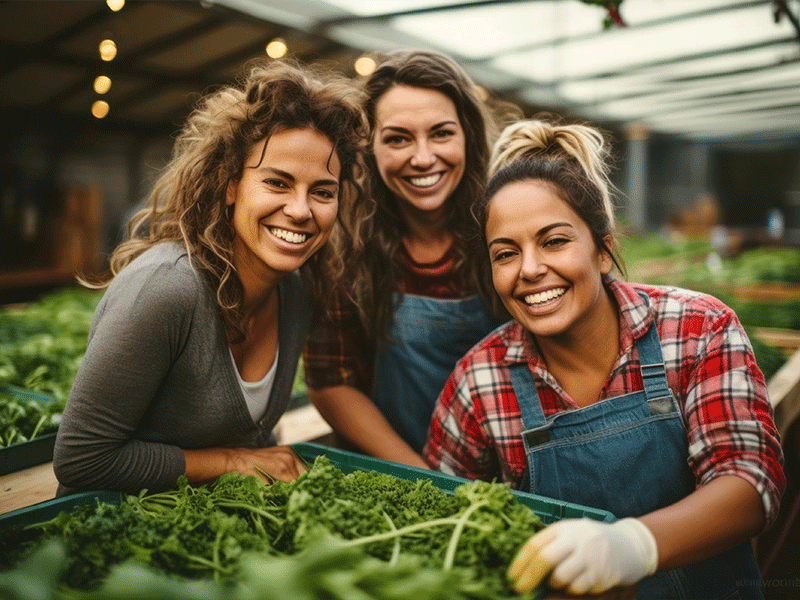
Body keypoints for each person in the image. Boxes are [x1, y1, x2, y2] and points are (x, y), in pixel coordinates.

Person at [424, 118, 785, 599]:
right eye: (506, 253)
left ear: (603, 251)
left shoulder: (697, 329)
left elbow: (749, 482)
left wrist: (632, 546)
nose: (530, 269)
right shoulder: (480, 379)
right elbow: (441, 522)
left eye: (554, 241)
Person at [53, 59, 367, 494]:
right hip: (111, 540)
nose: (301, 210)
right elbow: (81, 458)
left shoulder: (297, 292)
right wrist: (235, 462)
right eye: (277, 183)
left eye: (322, 192)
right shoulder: (166, 290)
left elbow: (251, 437)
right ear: (229, 183)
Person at [302, 50, 511, 468]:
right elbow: (331, 384)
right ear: (369, 148)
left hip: (513, 469)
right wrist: (426, 478)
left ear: (468, 134)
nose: (422, 157)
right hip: (397, 472)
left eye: (441, 133)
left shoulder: (507, 225)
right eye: (398, 138)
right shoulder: (342, 247)